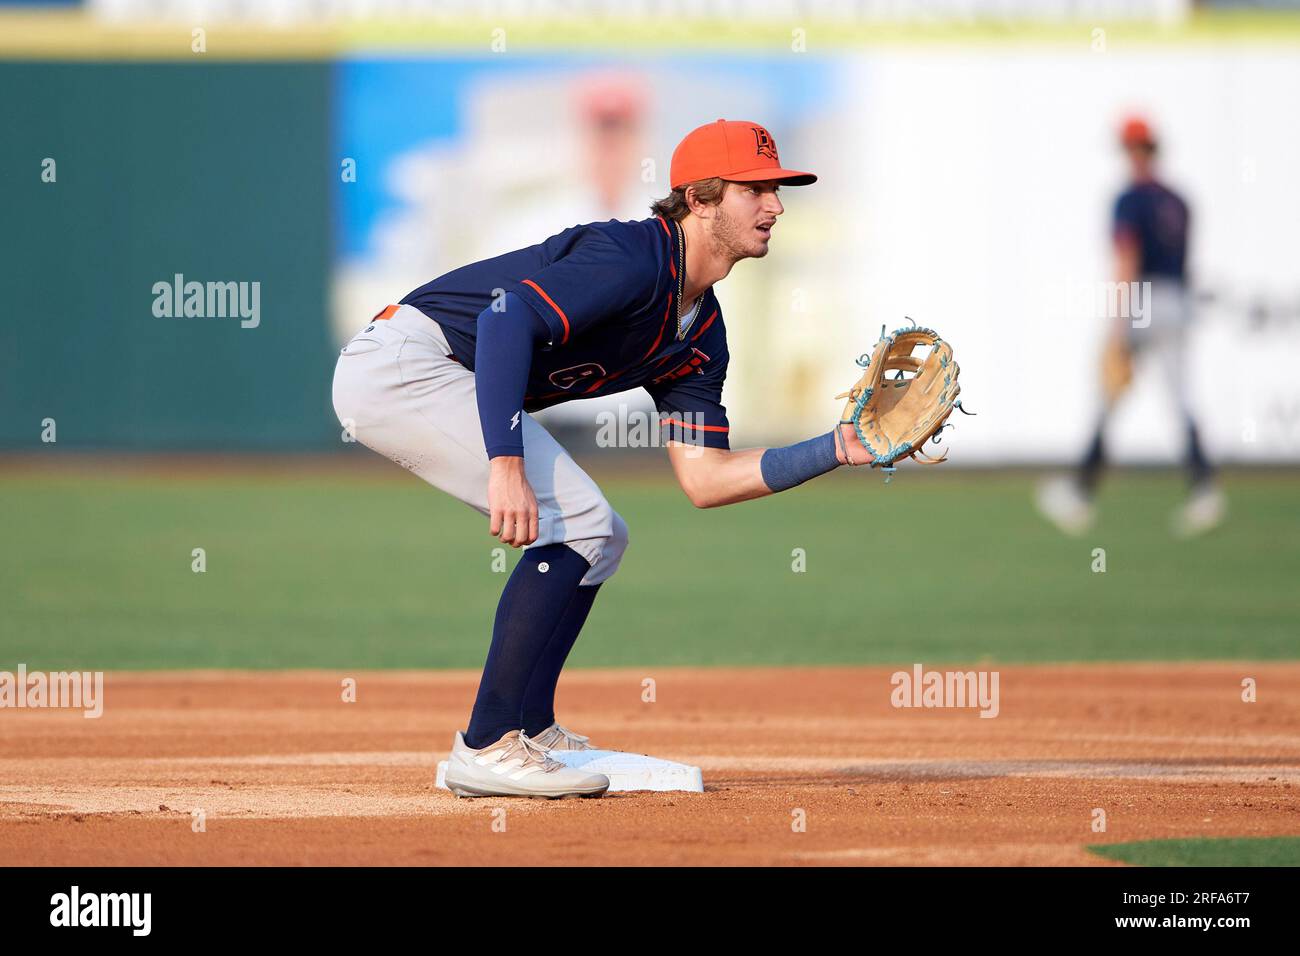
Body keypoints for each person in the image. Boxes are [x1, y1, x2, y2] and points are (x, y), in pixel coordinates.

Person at [332, 119, 876, 799]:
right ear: (702, 198)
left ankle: (530, 730)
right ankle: (485, 742)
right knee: (581, 521)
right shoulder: (633, 258)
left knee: (602, 534)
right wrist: (506, 463)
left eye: (777, 189)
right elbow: (506, 319)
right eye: (755, 188)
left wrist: (837, 447)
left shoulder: (702, 333)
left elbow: (706, 481)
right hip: (403, 364)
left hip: (447, 377)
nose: (776, 205)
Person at [1037, 116, 1223, 538]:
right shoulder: (1178, 200)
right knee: (1180, 398)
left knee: (1109, 392)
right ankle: (1205, 491)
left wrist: (1119, 326)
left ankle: (1079, 493)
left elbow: (1127, 261)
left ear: (1131, 151)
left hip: (1143, 300)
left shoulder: (1129, 199)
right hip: (1175, 299)